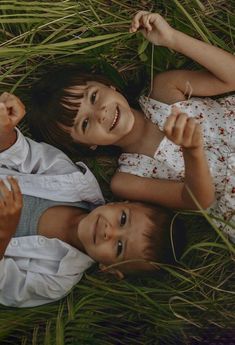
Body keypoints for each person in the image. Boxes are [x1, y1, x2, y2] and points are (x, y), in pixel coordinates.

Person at [29, 12, 235, 241]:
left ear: (110, 86)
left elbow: (231, 76)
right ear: (88, 146)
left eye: (94, 97)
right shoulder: (128, 179)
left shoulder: (165, 90)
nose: (101, 114)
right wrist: (192, 151)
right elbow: (197, 201)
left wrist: (172, 39)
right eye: (85, 124)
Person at [0, 92, 182, 308]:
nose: (109, 232)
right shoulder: (72, 180)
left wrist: (5, 233)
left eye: (119, 247)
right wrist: (6, 131)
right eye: (123, 219)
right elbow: (24, 155)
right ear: (120, 203)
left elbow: (6, 286)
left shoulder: (56, 281)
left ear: (110, 269)